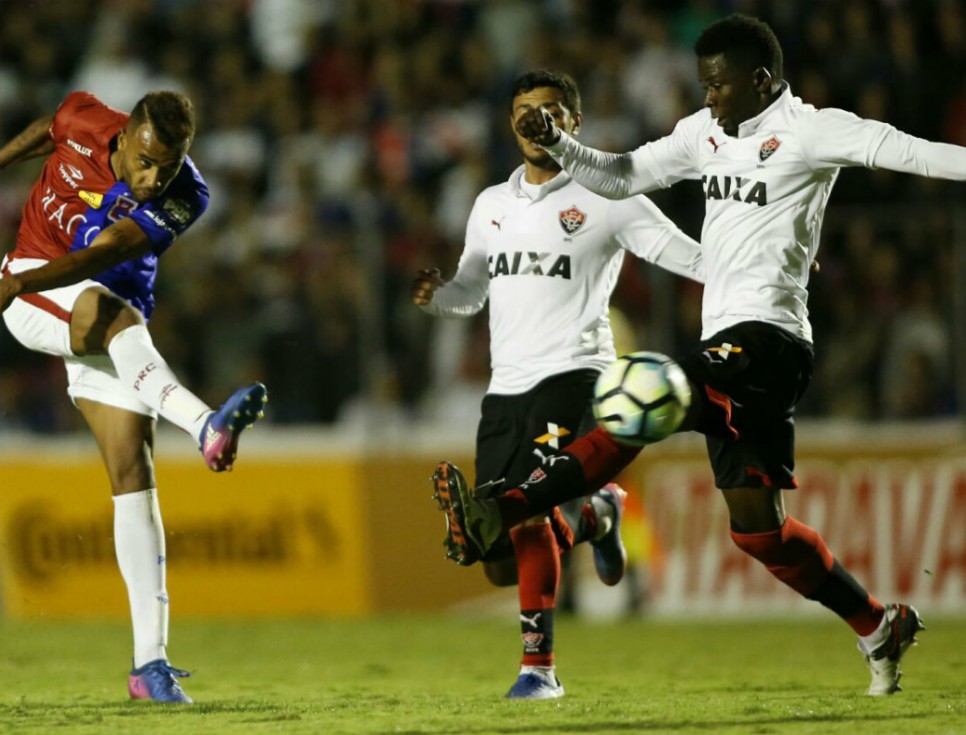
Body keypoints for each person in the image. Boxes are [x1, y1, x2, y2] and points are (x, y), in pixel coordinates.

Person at [433, 13, 966, 696]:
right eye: (703, 83)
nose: (708, 96)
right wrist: (564, 146)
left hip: (773, 339)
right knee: (759, 534)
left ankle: (507, 505)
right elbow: (622, 176)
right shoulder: (702, 133)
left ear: (762, 80)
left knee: (651, 393)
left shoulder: (813, 130)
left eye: (718, 83)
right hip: (726, 342)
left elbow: (917, 153)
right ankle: (877, 624)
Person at [0, 90, 269, 704]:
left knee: (133, 476)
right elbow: (48, 127)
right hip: (38, 289)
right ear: (124, 136)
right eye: (145, 162)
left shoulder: (188, 195)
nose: (152, 180)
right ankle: (204, 426)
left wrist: (16, 284)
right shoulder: (85, 118)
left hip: (98, 314)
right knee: (112, 314)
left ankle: (149, 666)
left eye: (166, 168)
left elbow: (102, 253)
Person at [414, 69, 704, 699]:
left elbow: (689, 256)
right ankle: (599, 516)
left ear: (574, 122)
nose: (534, 122)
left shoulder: (608, 195)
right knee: (496, 562)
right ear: (510, 123)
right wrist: (438, 297)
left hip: (576, 374)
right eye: (524, 111)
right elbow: (471, 293)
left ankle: (538, 670)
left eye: (548, 111)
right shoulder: (491, 205)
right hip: (505, 390)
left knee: (530, 515)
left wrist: (768, 265)